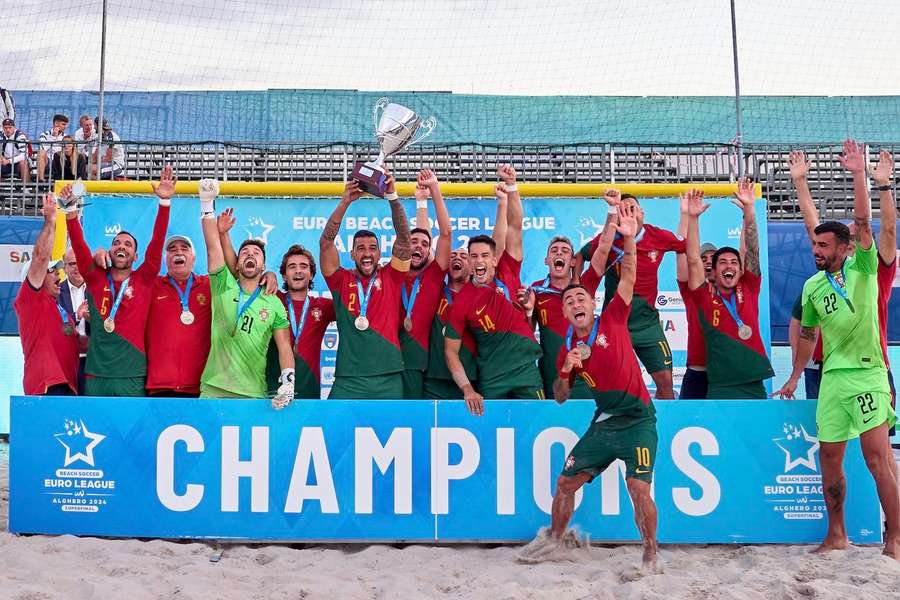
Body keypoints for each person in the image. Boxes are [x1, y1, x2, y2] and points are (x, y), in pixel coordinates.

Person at [775, 140, 900, 559]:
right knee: (830, 455)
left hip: (872, 370)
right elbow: (808, 335)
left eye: (824, 247)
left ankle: (896, 537)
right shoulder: (815, 283)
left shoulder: (869, 267)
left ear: (847, 249)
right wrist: (794, 375)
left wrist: (864, 177)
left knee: (879, 458)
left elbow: (867, 225)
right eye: (814, 247)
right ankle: (837, 534)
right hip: (831, 376)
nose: (815, 251)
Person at [519, 203, 660, 572]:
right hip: (605, 423)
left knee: (638, 489)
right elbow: (562, 398)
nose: (575, 302)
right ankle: (555, 540)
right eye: (569, 300)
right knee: (565, 483)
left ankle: (650, 554)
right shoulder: (567, 347)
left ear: (592, 305)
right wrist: (564, 371)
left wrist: (628, 238)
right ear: (564, 313)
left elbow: (626, 277)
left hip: (639, 419)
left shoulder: (613, 316)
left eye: (581, 297)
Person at [63, 167, 174, 396]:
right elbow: (80, 247)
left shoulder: (144, 280)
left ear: (135, 257)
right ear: (110, 251)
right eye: (116, 243)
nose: (121, 246)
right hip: (96, 374)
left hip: (131, 374)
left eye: (128, 245)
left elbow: (156, 244)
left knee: (132, 432)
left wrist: (164, 204)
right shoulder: (94, 278)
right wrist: (71, 210)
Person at [445, 165, 543, 412]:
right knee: (495, 440)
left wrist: (512, 186)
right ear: (467, 260)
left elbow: (515, 227)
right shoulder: (461, 301)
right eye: (473, 256)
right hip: (492, 378)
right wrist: (467, 388)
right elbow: (451, 352)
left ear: (495, 259)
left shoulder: (508, 271)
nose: (479, 261)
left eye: (485, 256)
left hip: (525, 370)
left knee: (538, 424)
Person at [575, 193, 685, 399]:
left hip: (648, 325)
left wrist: (693, 279)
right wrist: (577, 287)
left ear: (642, 213)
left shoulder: (658, 236)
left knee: (666, 382)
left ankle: (662, 426)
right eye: (623, 209)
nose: (628, 212)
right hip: (616, 325)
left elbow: (684, 246)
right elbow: (581, 254)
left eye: (632, 208)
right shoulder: (608, 239)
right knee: (612, 383)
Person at [196, 180, 295, 406]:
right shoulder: (223, 284)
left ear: (263, 265)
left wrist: (289, 383)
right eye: (245, 252)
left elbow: (284, 347)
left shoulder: (274, 302)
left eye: (257, 253)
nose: (251, 254)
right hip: (213, 389)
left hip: (252, 393)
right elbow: (213, 245)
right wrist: (206, 204)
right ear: (237, 264)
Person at [319, 171, 412, 399]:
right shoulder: (340, 280)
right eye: (360, 248)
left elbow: (404, 240)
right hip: (348, 378)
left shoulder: (392, 275)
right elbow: (326, 242)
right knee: (333, 431)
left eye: (372, 248)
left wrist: (392, 197)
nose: (367, 253)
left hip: (388, 376)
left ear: (380, 252)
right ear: (351, 254)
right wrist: (345, 202)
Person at [684, 179, 774, 398]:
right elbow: (694, 260)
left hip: (753, 381)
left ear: (740, 269)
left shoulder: (749, 287)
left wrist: (750, 210)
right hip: (720, 385)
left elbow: (751, 249)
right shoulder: (704, 296)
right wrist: (692, 218)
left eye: (734, 262)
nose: (729, 266)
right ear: (713, 272)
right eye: (722, 262)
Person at [422, 185, 508, 399]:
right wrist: (422, 202)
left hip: (474, 378)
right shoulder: (435, 290)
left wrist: (502, 203)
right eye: (452, 256)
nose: (457, 259)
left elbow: (497, 246)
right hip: (435, 380)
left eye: (463, 256)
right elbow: (425, 240)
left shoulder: (482, 291)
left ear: (472, 265)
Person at [528, 191, 614, 399]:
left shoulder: (585, 285)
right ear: (546, 261)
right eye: (554, 251)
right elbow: (528, 332)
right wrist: (528, 311)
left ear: (573, 261)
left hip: (588, 373)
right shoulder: (536, 290)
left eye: (565, 251)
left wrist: (612, 210)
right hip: (553, 375)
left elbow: (603, 249)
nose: (559, 253)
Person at [14, 192, 80, 395]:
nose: (58, 274)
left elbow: (75, 343)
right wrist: (51, 221)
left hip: (69, 387)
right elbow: (41, 258)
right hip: (45, 386)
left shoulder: (59, 308)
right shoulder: (30, 298)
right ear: (36, 278)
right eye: (52, 271)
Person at [400, 169, 452, 398]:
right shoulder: (390, 273)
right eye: (413, 242)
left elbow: (445, 234)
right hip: (384, 362)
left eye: (424, 244)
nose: (418, 246)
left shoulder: (432, 275)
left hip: (416, 363)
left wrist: (433, 191)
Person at [144, 235, 212, 397]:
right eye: (172, 250)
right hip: (159, 386)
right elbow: (121, 276)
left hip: (199, 387)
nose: (178, 252)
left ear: (194, 258)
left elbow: (240, 281)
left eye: (184, 248)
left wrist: (269, 276)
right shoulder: (151, 286)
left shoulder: (209, 285)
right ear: (166, 260)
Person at [265, 244, 336, 399]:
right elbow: (245, 277)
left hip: (309, 392)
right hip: (274, 389)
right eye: (292, 267)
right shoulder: (272, 299)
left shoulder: (323, 306)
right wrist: (268, 274)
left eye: (304, 266)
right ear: (283, 275)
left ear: (311, 274)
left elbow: (352, 307)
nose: (298, 271)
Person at [675, 189, 717, 399]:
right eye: (704, 258)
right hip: (697, 373)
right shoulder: (692, 292)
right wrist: (686, 217)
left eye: (713, 258)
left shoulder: (735, 293)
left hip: (725, 374)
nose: (708, 261)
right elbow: (682, 253)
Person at [58, 248, 89, 394]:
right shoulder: (56, 291)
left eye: (80, 262)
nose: (77, 267)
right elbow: (56, 327)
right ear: (64, 267)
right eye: (72, 263)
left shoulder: (98, 290)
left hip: (93, 361)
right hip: (67, 361)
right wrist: (76, 315)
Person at [37, 113, 69, 182]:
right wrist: (53, 137)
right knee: (41, 152)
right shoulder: (44, 135)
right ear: (56, 123)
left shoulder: (66, 137)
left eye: (66, 125)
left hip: (61, 163)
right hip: (48, 163)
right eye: (63, 124)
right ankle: (41, 180)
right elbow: (43, 149)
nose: (65, 127)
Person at [1, 118, 31, 182]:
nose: (8, 130)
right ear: (2, 128)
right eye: (5, 128)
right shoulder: (1, 136)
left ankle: (27, 188)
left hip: (18, 163)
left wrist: (9, 161)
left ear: (14, 127)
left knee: (23, 162)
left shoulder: (20, 136)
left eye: (10, 127)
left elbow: (24, 155)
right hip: (5, 163)